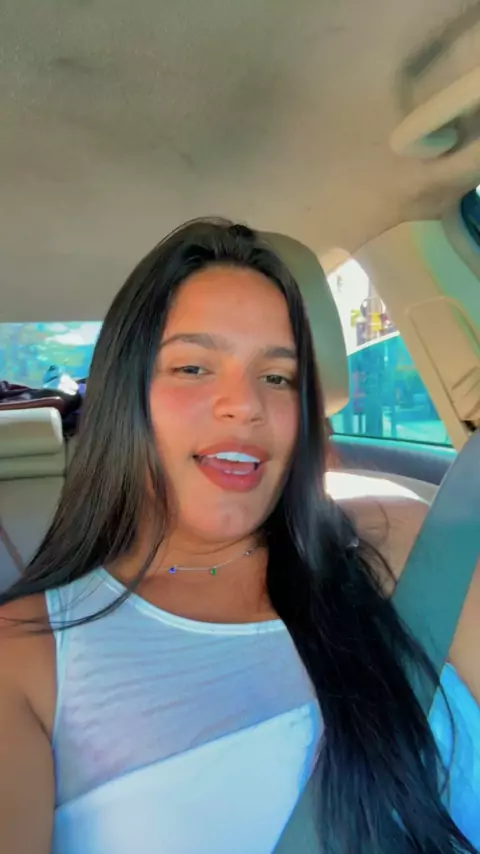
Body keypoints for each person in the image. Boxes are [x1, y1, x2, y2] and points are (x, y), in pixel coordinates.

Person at [0, 219, 478, 854]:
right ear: (125, 395)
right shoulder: (27, 657)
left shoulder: (403, 541)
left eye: (277, 377)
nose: (245, 404)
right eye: (194, 367)